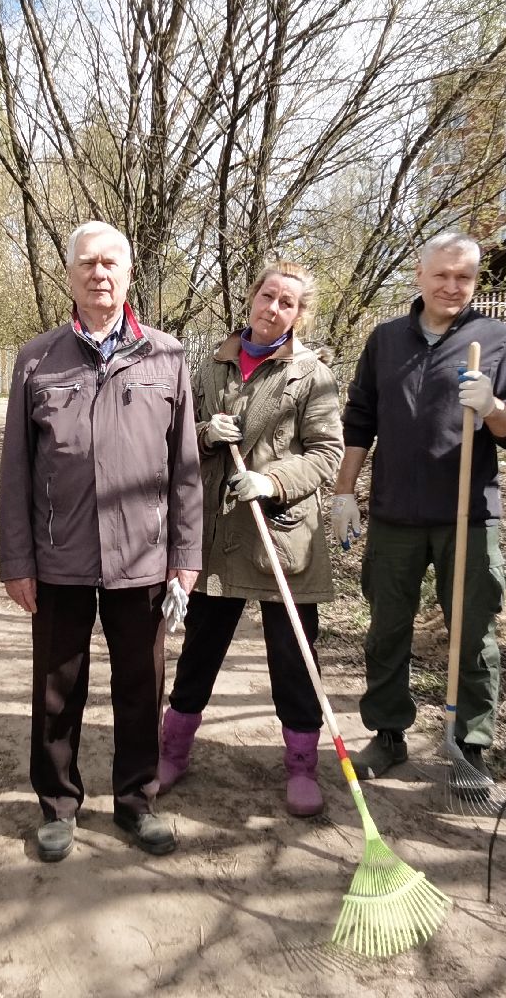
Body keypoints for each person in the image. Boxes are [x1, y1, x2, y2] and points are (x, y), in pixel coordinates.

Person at [0, 220, 202, 863]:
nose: (100, 272)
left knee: (142, 687)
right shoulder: (37, 359)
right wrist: (17, 560)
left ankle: (137, 802)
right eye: (87, 262)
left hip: (142, 559)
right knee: (58, 689)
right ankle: (58, 805)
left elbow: (186, 467)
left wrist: (186, 557)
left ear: (128, 273)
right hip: (59, 558)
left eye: (111, 261)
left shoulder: (166, 357)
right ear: (70, 275)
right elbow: (15, 471)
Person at [332, 231, 506, 787]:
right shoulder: (386, 340)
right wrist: (345, 490)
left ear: (475, 281)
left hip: (467, 515)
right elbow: (360, 419)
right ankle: (388, 734)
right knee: (387, 629)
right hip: (396, 513)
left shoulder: (495, 339)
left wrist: (493, 408)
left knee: (472, 633)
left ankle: (471, 745)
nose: (452, 286)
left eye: (464, 276)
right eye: (442, 274)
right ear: (420, 276)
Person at [157, 261, 344, 817]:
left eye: (288, 302)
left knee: (294, 658)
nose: (274, 308)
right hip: (219, 539)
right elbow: (173, 437)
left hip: (283, 539)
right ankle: (173, 750)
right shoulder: (212, 366)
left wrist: (273, 480)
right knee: (199, 653)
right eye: (268, 296)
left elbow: (327, 455)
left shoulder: (313, 375)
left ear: (299, 313)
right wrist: (204, 435)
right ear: (251, 297)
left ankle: (302, 767)